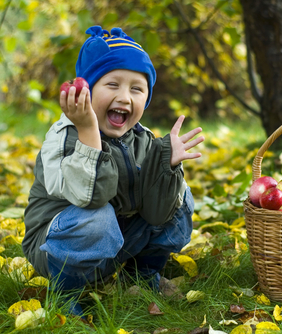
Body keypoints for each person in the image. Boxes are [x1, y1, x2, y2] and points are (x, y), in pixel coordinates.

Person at [22, 25, 204, 302]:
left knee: (181, 198)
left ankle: (141, 276)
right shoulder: (65, 138)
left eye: (137, 89)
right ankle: (65, 293)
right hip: (58, 245)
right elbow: (91, 197)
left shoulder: (142, 140)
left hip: (112, 244)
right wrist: (88, 131)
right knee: (98, 220)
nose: (124, 97)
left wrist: (168, 167)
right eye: (112, 84)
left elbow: (157, 214)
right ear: (87, 90)